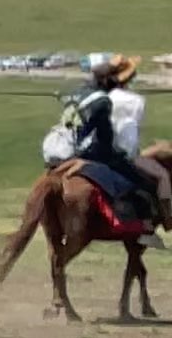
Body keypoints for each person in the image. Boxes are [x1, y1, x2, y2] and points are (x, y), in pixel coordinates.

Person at [60, 54, 155, 231]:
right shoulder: (109, 101)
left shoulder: (81, 93)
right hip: (93, 151)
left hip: (68, 146)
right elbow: (108, 136)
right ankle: (136, 225)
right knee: (138, 183)